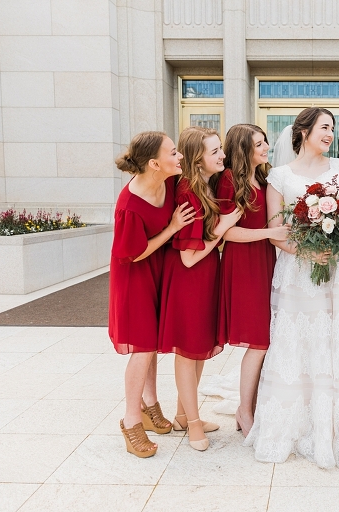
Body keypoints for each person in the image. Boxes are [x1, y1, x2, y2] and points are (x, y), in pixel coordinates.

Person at [244, 107, 339, 470]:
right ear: (303, 132)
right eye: (324, 127)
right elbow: (275, 230)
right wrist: (308, 250)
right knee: (302, 338)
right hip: (299, 270)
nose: (330, 133)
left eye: (333, 128)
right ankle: (301, 418)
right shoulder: (278, 176)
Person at [111, 131, 195, 458]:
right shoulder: (129, 205)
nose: (180, 158)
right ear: (154, 163)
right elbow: (133, 254)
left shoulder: (170, 182)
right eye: (174, 153)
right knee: (143, 346)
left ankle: (150, 405)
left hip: (159, 270)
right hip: (134, 275)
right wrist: (173, 228)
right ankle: (131, 420)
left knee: (152, 346)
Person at [159, 126, 241, 451]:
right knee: (187, 352)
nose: (222, 155)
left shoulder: (204, 186)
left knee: (200, 349)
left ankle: (183, 414)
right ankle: (193, 424)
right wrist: (223, 226)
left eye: (220, 148)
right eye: (214, 151)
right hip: (188, 279)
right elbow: (189, 258)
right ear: (197, 159)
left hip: (206, 276)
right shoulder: (188, 193)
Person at [214, 124, 289, 436]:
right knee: (259, 341)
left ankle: (252, 406)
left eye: (266, 142)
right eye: (259, 144)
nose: (266, 147)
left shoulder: (263, 176)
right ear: (243, 148)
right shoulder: (229, 180)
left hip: (265, 261)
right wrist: (270, 233)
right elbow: (226, 231)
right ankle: (245, 412)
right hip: (242, 264)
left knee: (266, 340)